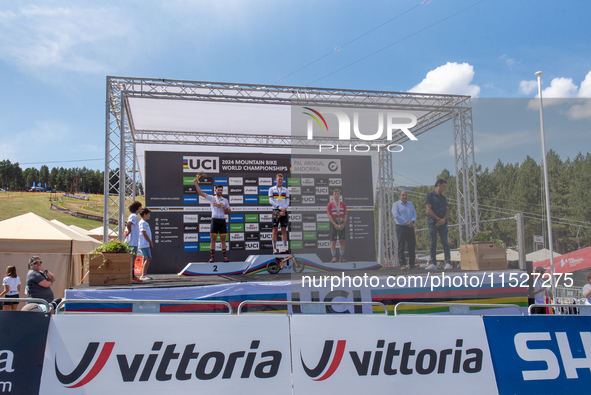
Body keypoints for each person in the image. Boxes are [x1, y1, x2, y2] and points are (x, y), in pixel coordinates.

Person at [193, 177, 231, 262]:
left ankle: (225, 257)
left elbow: (229, 212)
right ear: (215, 191)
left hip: (222, 221)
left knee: (223, 240)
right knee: (213, 239)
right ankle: (212, 257)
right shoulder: (211, 198)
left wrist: (224, 209)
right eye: (218, 190)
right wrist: (196, 183)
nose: (220, 191)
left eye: (221, 190)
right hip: (214, 220)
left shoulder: (225, 200)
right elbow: (201, 193)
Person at [425, 179, 451, 270]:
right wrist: (438, 219)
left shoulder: (443, 198)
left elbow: (447, 209)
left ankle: (448, 262)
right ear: (438, 185)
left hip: (443, 223)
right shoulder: (429, 196)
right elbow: (428, 210)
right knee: (433, 243)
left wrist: (443, 219)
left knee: (445, 242)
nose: (445, 188)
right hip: (433, 223)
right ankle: (433, 264)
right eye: (444, 186)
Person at [391, 190, 417, 270]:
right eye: (403, 195)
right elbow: (396, 215)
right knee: (401, 246)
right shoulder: (396, 204)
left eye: (405, 195)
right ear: (400, 196)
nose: (404, 196)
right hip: (401, 227)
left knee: (412, 245)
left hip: (410, 227)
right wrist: (406, 222)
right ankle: (402, 264)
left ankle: (412, 263)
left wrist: (412, 221)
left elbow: (414, 214)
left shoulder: (410, 204)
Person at [269, 173, 290, 254]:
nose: (280, 181)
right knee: (274, 229)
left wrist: (284, 209)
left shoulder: (286, 190)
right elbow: (271, 201)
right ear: (276, 180)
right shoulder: (271, 189)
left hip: (284, 210)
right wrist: (280, 208)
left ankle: (284, 248)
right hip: (276, 210)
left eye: (281, 179)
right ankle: (274, 249)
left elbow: (287, 200)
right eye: (279, 179)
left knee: (284, 229)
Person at [327, 188, 347, 262]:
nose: (336, 195)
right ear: (333, 195)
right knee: (333, 241)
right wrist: (334, 224)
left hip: (341, 223)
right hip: (334, 223)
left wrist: (343, 224)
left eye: (338, 194)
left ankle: (341, 257)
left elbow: (345, 214)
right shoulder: (330, 204)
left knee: (342, 241)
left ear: (340, 195)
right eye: (335, 194)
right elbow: (329, 215)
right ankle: (334, 257)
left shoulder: (343, 204)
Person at [124, 200, 142, 281]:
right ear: (137, 208)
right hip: (132, 242)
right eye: (140, 207)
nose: (141, 208)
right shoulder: (134, 216)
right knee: (132, 259)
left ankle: (132, 275)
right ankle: (132, 276)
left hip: (133, 241)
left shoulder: (133, 215)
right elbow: (128, 224)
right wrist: (130, 231)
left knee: (133, 258)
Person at [138, 208, 153, 281]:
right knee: (148, 258)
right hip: (144, 244)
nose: (149, 216)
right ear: (145, 214)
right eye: (148, 214)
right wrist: (150, 242)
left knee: (145, 258)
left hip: (144, 243)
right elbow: (143, 233)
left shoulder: (144, 223)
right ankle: (143, 275)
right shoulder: (142, 223)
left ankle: (143, 274)